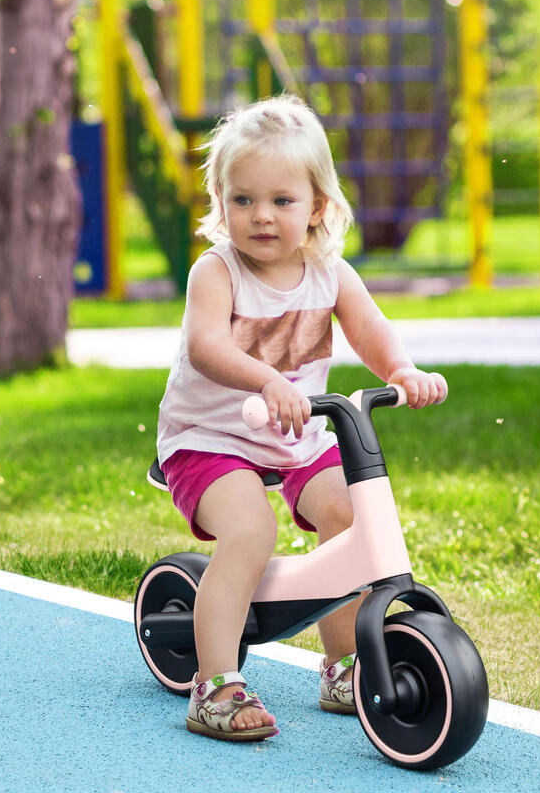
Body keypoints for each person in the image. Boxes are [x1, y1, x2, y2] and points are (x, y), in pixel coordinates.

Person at [157, 94, 447, 742]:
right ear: (220, 200)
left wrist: (400, 372)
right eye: (243, 200)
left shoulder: (328, 271)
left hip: (294, 435)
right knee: (251, 532)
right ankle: (215, 684)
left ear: (317, 205)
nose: (261, 217)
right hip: (211, 438)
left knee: (349, 514)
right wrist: (265, 379)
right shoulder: (217, 271)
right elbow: (207, 346)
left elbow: (370, 329)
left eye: (282, 202)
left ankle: (344, 666)